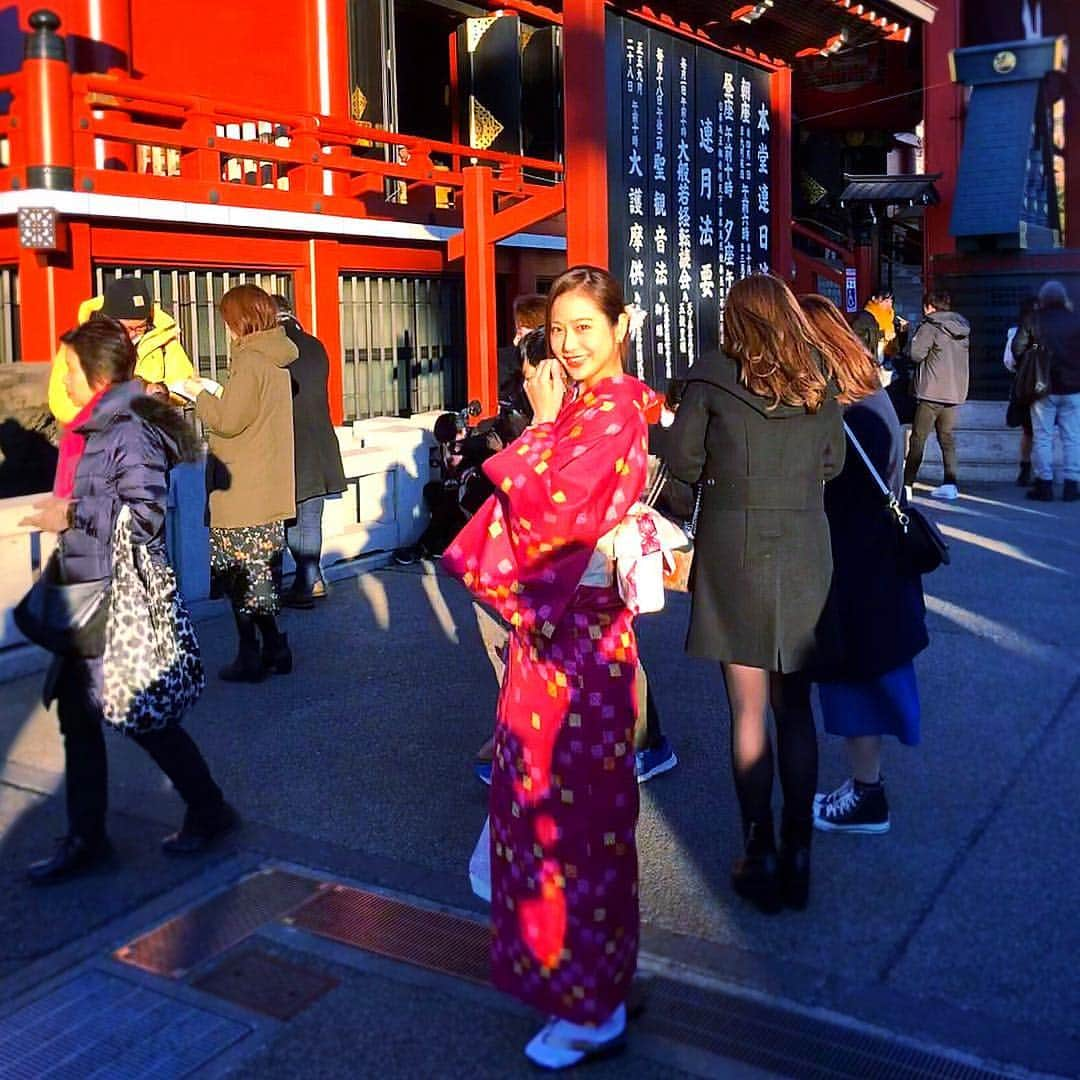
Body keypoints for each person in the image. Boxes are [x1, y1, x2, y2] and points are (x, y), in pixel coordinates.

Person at [444, 266, 653, 1069]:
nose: (567, 347)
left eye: (584, 329)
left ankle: (589, 1009)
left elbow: (552, 516)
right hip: (560, 640)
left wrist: (536, 425)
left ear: (621, 326)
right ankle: (599, 980)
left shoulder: (614, 410)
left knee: (573, 827)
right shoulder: (594, 407)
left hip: (579, 645)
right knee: (573, 818)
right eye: (558, 331)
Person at [20, 318, 234, 884]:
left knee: (143, 718)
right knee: (79, 714)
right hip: (86, 585)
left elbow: (144, 516)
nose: (60, 379)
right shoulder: (96, 424)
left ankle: (207, 809)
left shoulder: (129, 427)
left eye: (67, 367)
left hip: (115, 595)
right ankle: (87, 836)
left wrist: (67, 514)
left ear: (95, 372)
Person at [664, 273, 845, 914]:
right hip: (802, 547)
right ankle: (800, 855)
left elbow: (682, 461)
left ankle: (757, 847)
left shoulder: (711, 377)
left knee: (747, 712)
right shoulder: (818, 378)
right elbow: (834, 464)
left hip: (732, 548)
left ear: (734, 318)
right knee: (795, 708)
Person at [799, 295, 929, 834]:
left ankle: (867, 794)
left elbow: (829, 494)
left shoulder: (842, 415)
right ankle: (865, 787)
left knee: (857, 684)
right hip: (883, 569)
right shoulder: (872, 395)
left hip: (854, 572)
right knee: (875, 678)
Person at [184, 285, 298, 681]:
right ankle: (275, 647)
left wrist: (198, 395)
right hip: (267, 488)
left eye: (227, 321)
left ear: (239, 321)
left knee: (239, 578)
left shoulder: (249, 362)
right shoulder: (277, 360)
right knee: (260, 577)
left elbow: (229, 422)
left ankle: (252, 655)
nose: (226, 330)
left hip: (241, 491)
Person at [270, 295, 347, 608]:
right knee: (311, 517)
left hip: (289, 441)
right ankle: (312, 580)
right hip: (321, 439)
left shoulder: (274, 350)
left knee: (289, 519)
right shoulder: (315, 345)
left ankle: (306, 580)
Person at [48, 276, 194, 425]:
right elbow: (61, 403)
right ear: (109, 320)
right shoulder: (81, 343)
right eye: (128, 328)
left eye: (141, 328)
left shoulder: (162, 337)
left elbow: (182, 382)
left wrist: (160, 395)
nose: (133, 334)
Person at [1011, 280, 1080, 502]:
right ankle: (1072, 484)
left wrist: (1029, 364)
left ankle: (1045, 484)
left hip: (1043, 387)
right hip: (1073, 387)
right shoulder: (1075, 319)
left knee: (1043, 437)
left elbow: (1017, 348)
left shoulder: (1033, 320)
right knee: (1072, 437)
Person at [903, 291, 971, 501]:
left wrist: (908, 334)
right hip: (954, 393)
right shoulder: (962, 327)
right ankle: (950, 484)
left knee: (918, 439)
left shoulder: (930, 326)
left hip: (931, 392)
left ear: (929, 307)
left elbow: (915, 354)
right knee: (947, 439)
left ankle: (907, 484)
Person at [1003, 297, 1039, 487]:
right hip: (1051, 385)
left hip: (1025, 385)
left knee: (1028, 431)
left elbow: (1009, 362)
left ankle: (1025, 469)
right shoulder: (1051, 326)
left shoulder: (1015, 331)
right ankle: (1043, 473)